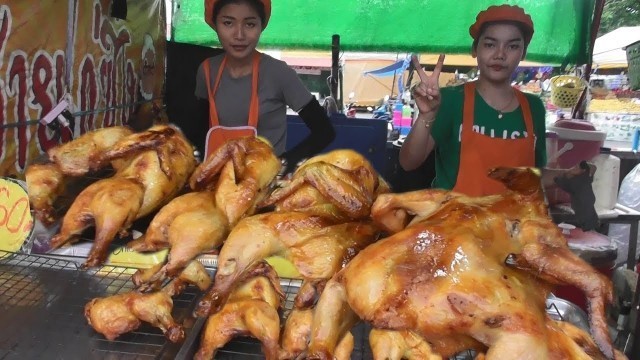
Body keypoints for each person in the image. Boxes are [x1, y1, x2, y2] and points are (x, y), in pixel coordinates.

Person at [400, 4, 575, 196]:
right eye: (490, 44)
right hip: (454, 221)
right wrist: (426, 115)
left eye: (513, 46)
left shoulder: (534, 107)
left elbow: (534, 175)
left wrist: (571, 175)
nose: (500, 54)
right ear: (475, 49)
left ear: (523, 53)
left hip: (512, 223)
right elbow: (408, 163)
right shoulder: (450, 100)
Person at [193, 0, 335, 173]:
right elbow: (200, 129)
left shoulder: (279, 73)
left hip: (266, 184)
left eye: (250, 24)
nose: (239, 34)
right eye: (228, 23)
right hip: (219, 181)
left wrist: (284, 164)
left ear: (261, 26)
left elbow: (324, 131)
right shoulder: (207, 71)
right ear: (215, 24)